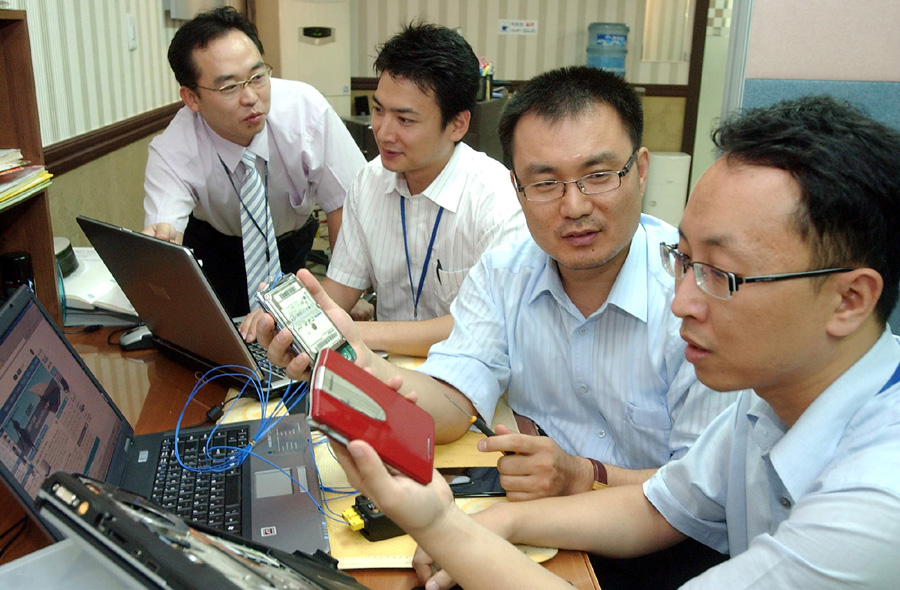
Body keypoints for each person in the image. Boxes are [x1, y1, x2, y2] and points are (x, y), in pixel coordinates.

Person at [331, 94, 900, 590]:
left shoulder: (876, 504)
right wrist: (500, 523)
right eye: (684, 261)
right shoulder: (769, 400)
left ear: (849, 300)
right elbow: (660, 506)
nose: (681, 303)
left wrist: (440, 526)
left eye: (722, 275)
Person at [315, 22, 526, 356]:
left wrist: (353, 331)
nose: (383, 133)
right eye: (379, 110)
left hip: (468, 379)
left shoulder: (496, 201)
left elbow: (484, 326)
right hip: (379, 372)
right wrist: (296, 321)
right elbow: (338, 291)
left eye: (405, 120)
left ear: (457, 124)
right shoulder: (369, 181)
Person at [142, 6, 365, 317]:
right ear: (191, 98)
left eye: (257, 77)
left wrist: (342, 294)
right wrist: (162, 243)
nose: (250, 97)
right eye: (229, 87)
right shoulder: (174, 148)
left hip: (291, 244)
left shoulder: (306, 112)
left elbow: (347, 206)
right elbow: (164, 233)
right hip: (219, 251)